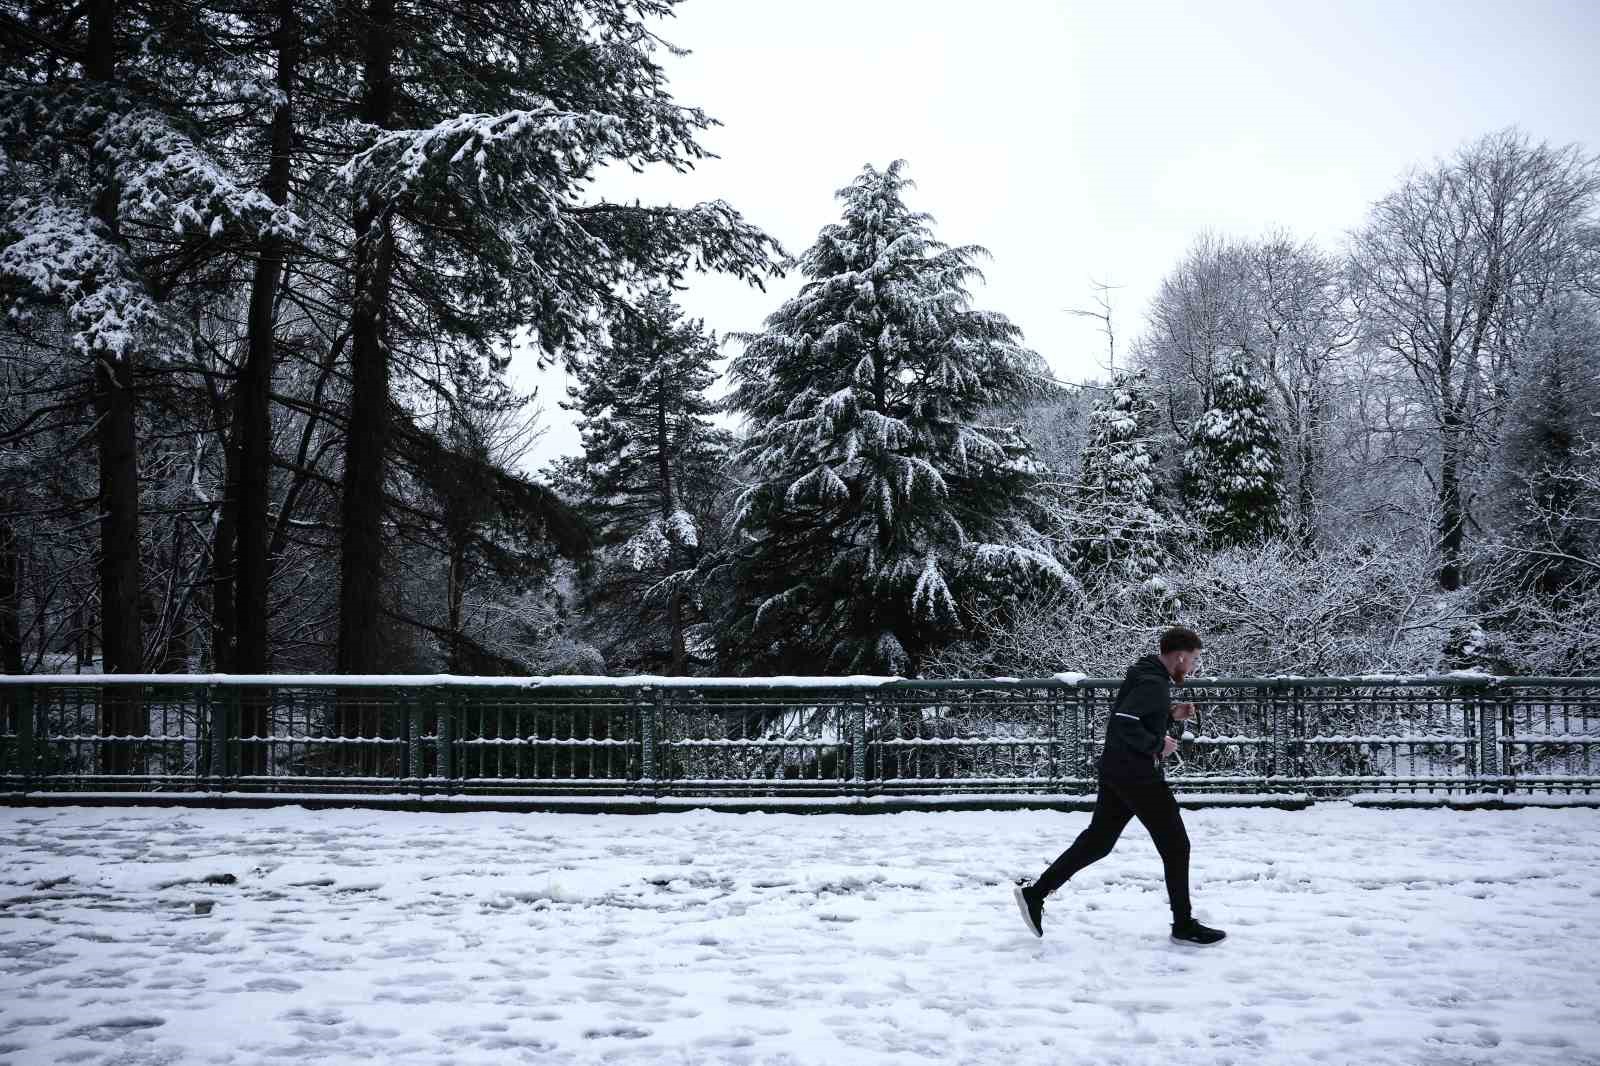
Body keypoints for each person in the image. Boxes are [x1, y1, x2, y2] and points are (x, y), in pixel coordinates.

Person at [1012, 625, 1226, 947]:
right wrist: (1158, 745)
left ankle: (1035, 894)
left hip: (1118, 770)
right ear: (1180, 656)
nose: (1195, 666)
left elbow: (1133, 714)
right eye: (1194, 659)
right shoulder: (1154, 682)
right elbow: (1123, 723)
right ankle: (1183, 925)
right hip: (1138, 775)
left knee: (1098, 842)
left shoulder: (1146, 675)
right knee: (1176, 845)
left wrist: (1170, 714)